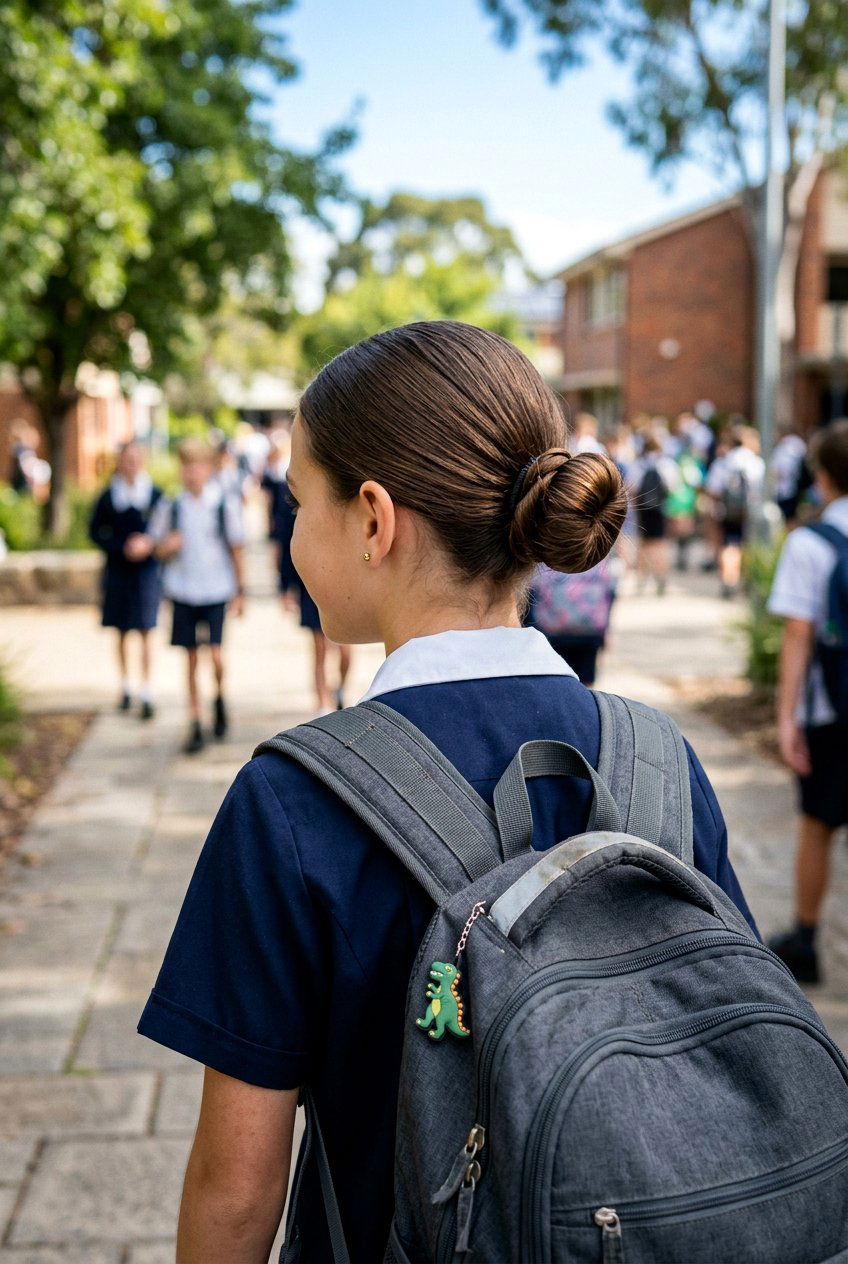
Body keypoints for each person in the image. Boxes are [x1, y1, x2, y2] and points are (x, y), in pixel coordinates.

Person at [137, 322, 755, 1263]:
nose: (288, 528)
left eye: (301, 502)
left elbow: (237, 1188)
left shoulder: (291, 802)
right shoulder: (659, 760)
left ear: (374, 520)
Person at [765, 419, 848, 983]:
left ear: (821, 476)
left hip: (833, 714)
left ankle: (806, 937)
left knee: (818, 824)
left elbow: (798, 637)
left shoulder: (810, 542)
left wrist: (787, 717)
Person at [150, 438, 246, 754]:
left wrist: (240, 590)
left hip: (216, 588)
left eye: (197, 466)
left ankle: (219, 696)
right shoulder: (171, 506)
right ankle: (195, 721)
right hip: (183, 590)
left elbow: (236, 548)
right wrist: (168, 546)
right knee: (190, 659)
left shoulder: (223, 503)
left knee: (216, 656)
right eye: (186, 466)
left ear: (208, 469)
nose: (191, 473)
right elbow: (156, 546)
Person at [88, 441, 163, 718]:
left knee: (145, 629)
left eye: (135, 459)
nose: (131, 464)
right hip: (119, 570)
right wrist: (121, 546)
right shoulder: (109, 496)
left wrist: (148, 544)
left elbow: (164, 529)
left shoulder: (154, 494)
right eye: (126, 459)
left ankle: (146, 688)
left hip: (145, 572)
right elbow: (95, 531)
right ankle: (125, 684)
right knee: (120, 630)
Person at [530, 555, 618, 685]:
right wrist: (607, 629)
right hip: (589, 629)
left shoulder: (546, 554)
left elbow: (533, 591)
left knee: (555, 680)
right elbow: (610, 592)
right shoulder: (598, 553)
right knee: (585, 684)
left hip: (552, 628)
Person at [705, 423, 766, 598]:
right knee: (748, 544)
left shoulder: (724, 462)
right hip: (750, 511)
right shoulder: (755, 462)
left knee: (729, 544)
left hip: (728, 511)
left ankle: (728, 579)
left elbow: (713, 488)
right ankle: (746, 580)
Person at [628, 430, 678, 594]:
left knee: (643, 543)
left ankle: (642, 578)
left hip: (643, 510)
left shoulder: (639, 464)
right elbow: (672, 487)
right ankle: (661, 577)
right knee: (660, 544)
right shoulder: (666, 464)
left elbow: (632, 489)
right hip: (659, 509)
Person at [771, 425, 808, 526]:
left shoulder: (787, 447)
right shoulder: (797, 445)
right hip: (791, 488)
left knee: (789, 517)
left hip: (787, 489)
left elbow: (781, 471)